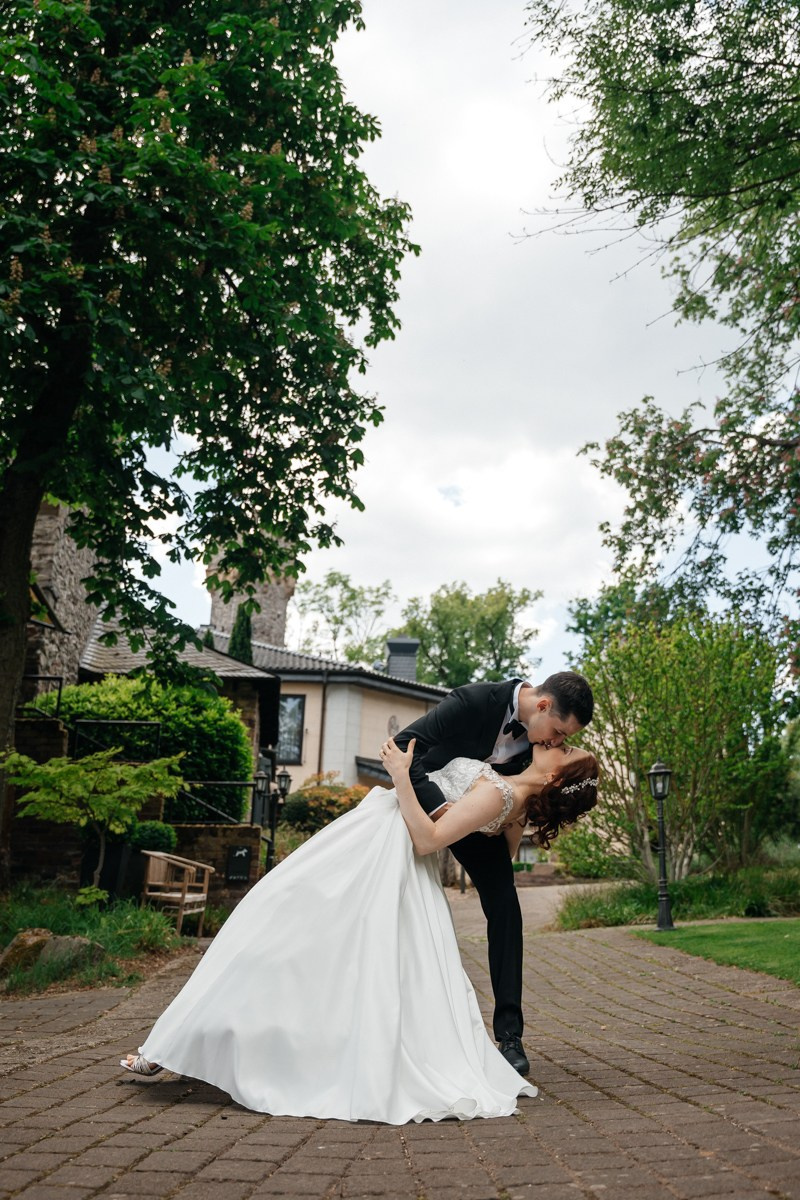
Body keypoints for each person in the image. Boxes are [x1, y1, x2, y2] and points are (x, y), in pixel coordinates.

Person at [120, 738, 599, 1125]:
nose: (561, 741)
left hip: (385, 850)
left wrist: (399, 777)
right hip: (379, 844)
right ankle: (186, 1043)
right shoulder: (513, 799)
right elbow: (499, 853)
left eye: (568, 750)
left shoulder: (502, 795)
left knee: (283, 929)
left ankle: (184, 1045)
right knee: (303, 940)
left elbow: (428, 838)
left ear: (558, 776)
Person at [391, 671, 594, 1076]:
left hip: (485, 814)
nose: (556, 743)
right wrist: (439, 810)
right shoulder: (473, 701)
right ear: (542, 705)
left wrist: (506, 833)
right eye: (556, 732)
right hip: (426, 800)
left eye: (562, 740)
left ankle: (510, 1036)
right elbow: (402, 747)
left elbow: (524, 794)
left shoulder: (538, 749)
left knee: (506, 907)